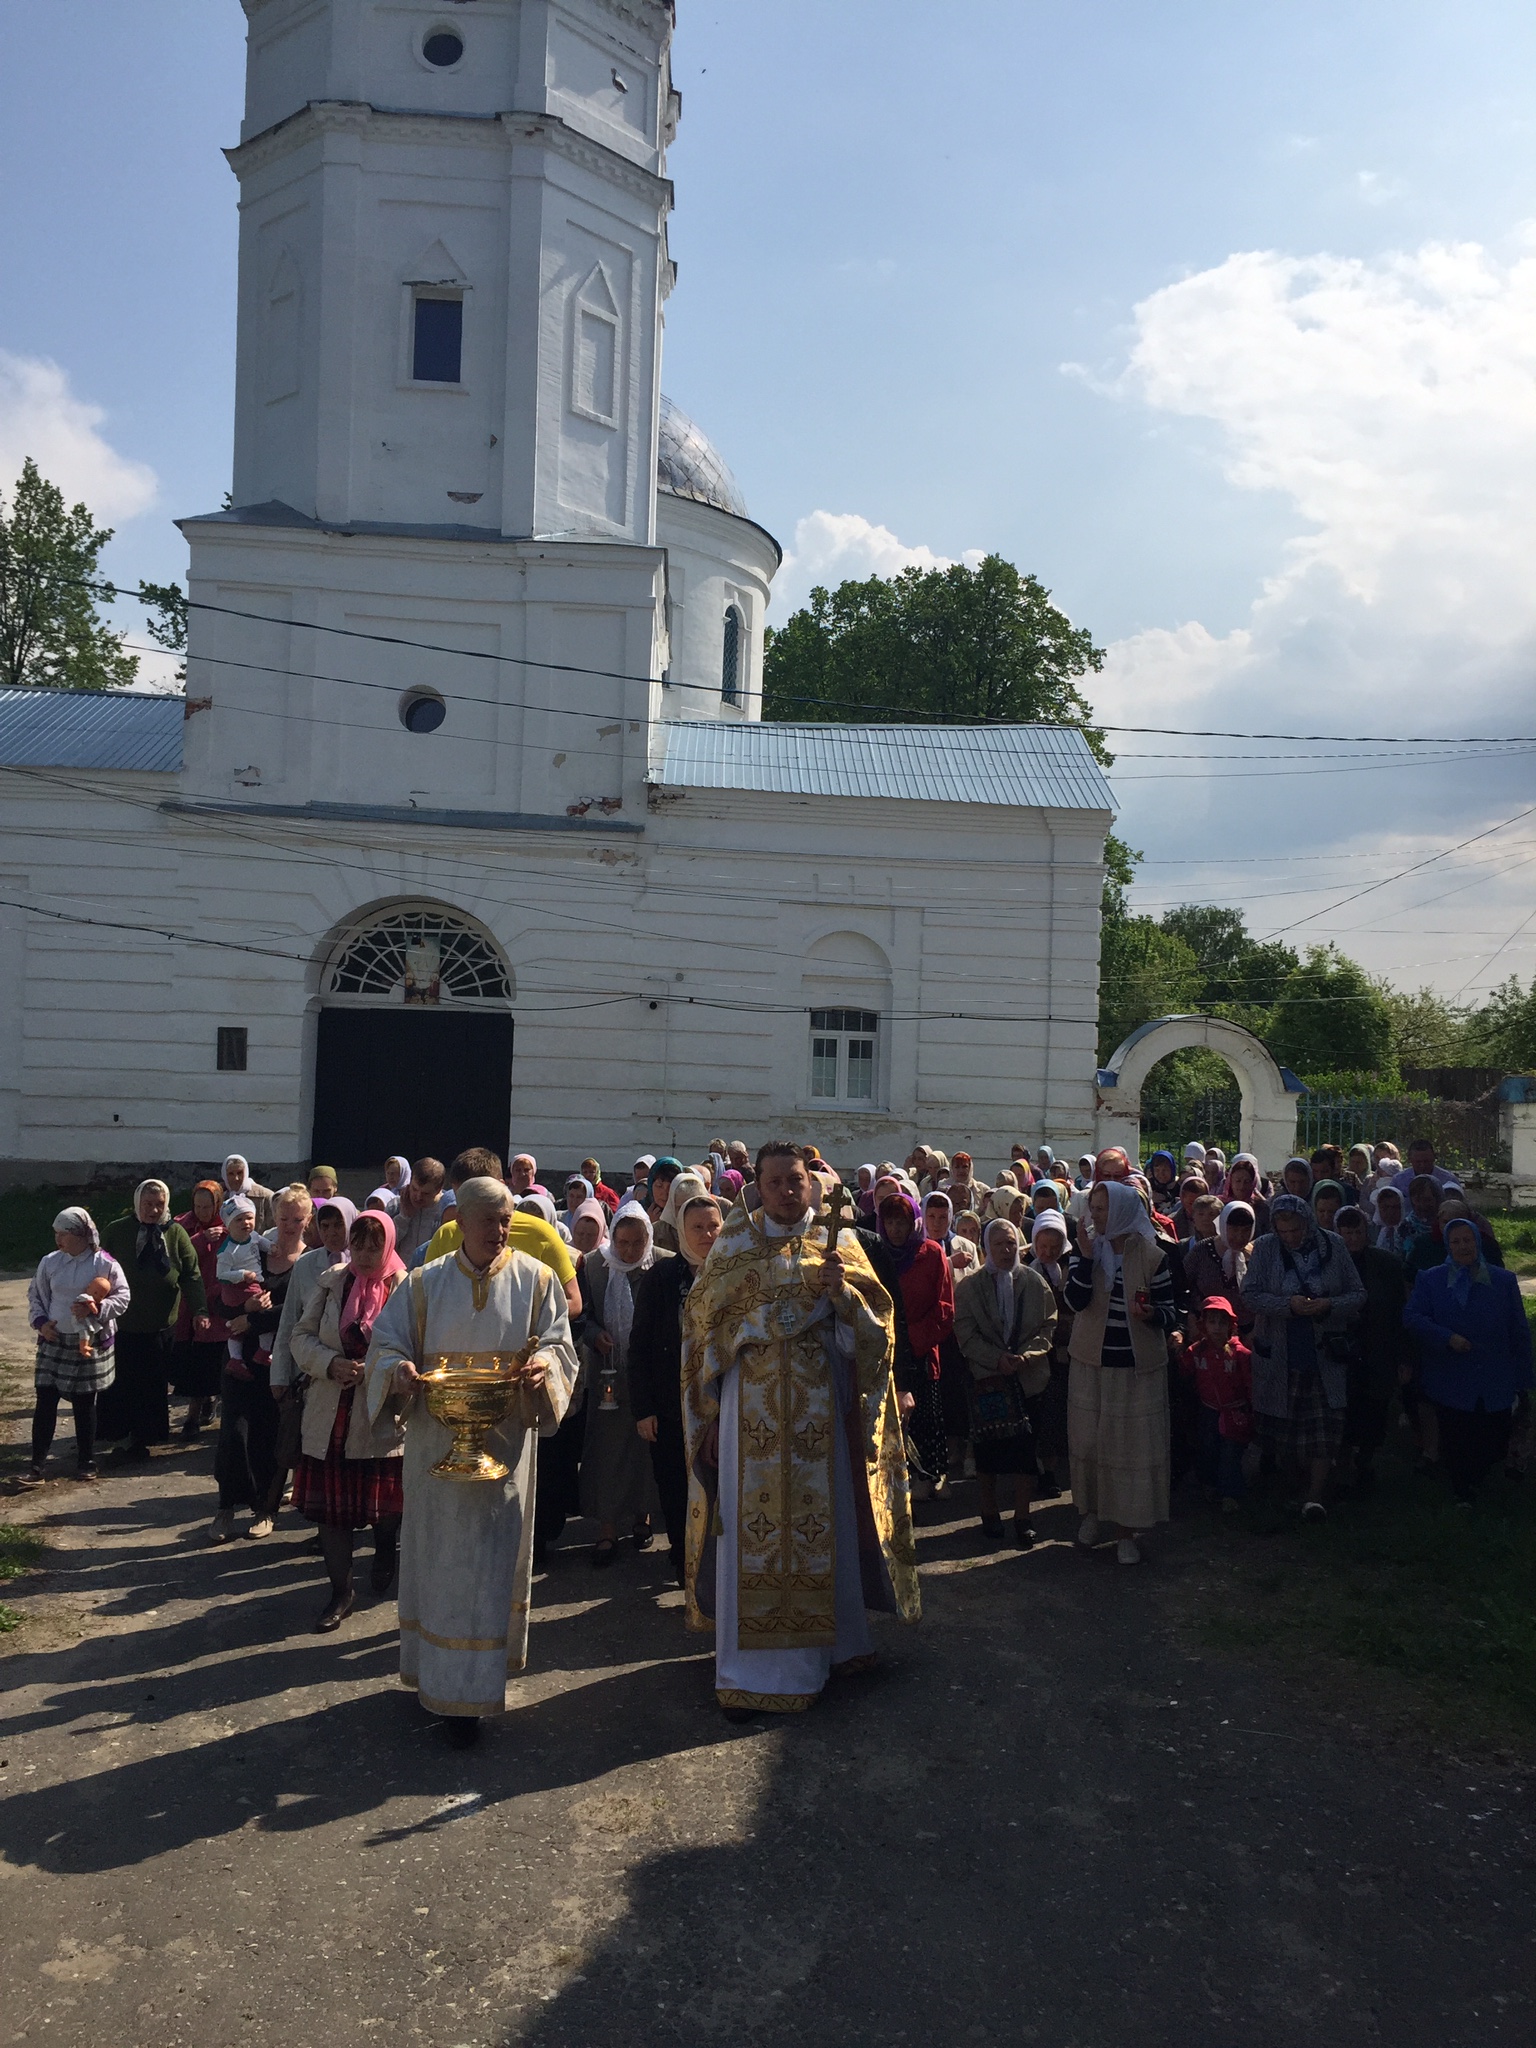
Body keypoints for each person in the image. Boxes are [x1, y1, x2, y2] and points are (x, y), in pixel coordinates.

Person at [682, 1141, 918, 1720]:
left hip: (818, 1418)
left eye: (796, 1180)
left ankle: (828, 1654)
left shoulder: (840, 1244)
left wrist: (841, 1299)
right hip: (747, 1419)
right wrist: (709, 1412)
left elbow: (873, 1334)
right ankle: (746, 1673)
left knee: (823, 1527)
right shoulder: (733, 1248)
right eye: (775, 1182)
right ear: (756, 1186)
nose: (787, 1191)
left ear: (812, 1182)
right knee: (748, 1534)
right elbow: (702, 1334)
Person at [365, 1176, 580, 1747]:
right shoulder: (423, 1284)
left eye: (506, 1218)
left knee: (488, 1570)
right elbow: (384, 1345)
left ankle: (473, 1696)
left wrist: (545, 1370)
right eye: (488, 1218)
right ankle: (435, 1678)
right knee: (440, 1567)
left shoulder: (536, 1281)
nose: (500, 1229)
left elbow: (561, 1345)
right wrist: (398, 1372)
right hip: (435, 1456)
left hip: (505, 1457)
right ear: (460, 1221)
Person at [290, 1210, 408, 1624]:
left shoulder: (406, 1288)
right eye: (358, 1244)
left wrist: (376, 1371)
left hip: (379, 1414)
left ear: (388, 1244)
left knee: (385, 1507)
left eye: (374, 1245)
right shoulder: (332, 1282)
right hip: (330, 1413)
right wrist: (329, 1363)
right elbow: (300, 1338)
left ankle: (385, 1550)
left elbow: (416, 1352)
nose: (365, 1253)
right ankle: (341, 1593)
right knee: (331, 1513)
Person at [1063, 1180, 1176, 1565]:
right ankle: (1092, 1515)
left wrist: (1151, 1315)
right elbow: (1076, 1301)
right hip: (1090, 1366)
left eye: (1101, 1208)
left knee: (1128, 1449)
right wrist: (1083, 1256)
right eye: (1092, 1206)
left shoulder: (1152, 1255)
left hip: (1134, 1369)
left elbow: (1170, 1312)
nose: (1093, 1214)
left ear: (1124, 1211)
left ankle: (1126, 1530)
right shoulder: (1088, 1249)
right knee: (1091, 1444)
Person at [1240, 1192, 1366, 1521]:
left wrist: (1328, 1305)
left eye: (1296, 1230)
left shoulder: (1333, 1245)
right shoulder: (1266, 1247)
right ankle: (1290, 1489)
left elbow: (1357, 1294)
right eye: (1284, 1231)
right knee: (1285, 1430)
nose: (1290, 1237)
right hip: (1282, 1353)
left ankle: (1316, 1496)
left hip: (1324, 1353)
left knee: (1324, 1428)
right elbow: (1250, 1294)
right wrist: (1288, 1305)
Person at [1404, 1216, 1532, 1504]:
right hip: (1451, 1373)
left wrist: (1523, 1376)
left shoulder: (1502, 1280)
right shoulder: (1432, 1279)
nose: (1463, 1246)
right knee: (1458, 1434)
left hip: (1494, 1373)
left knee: (1495, 1437)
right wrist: (1446, 1338)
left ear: (1478, 1241)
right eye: (1456, 1241)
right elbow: (1412, 1317)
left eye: (1468, 1239)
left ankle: (1479, 1477)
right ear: (1448, 1246)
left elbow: (1519, 1329)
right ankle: (1463, 1490)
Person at [630, 1193, 723, 1585]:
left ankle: (718, 1565)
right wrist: (643, 1407)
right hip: (670, 1404)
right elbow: (641, 1344)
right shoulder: (663, 1277)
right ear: (682, 1231)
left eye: (713, 1226)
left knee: (719, 1485)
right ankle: (686, 1561)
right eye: (696, 1227)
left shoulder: (734, 1273)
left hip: (722, 1404)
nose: (705, 1234)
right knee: (674, 1484)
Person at [954, 1218, 1055, 1542]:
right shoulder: (969, 1287)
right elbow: (965, 1334)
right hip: (989, 1381)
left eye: (1011, 1242)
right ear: (986, 1247)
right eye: (998, 1243)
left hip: (1028, 1379)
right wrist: (995, 1359)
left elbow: (1047, 1327)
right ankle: (989, 1512)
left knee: (1026, 1453)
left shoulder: (1035, 1282)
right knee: (989, 1451)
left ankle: (1023, 1518)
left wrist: (1026, 1357)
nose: (1006, 1249)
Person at [578, 1204, 665, 1564]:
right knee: (608, 1449)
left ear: (649, 1239)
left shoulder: (661, 1264)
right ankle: (607, 1526)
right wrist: (596, 1334)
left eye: (637, 1243)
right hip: (608, 1376)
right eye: (623, 1242)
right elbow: (582, 1314)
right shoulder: (595, 1267)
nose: (629, 1251)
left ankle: (643, 1514)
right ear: (611, 1237)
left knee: (647, 1447)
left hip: (648, 1374)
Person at [97, 1182, 206, 1463]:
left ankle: (145, 1438)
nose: (154, 1210)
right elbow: (98, 1264)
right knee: (120, 1382)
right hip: (122, 1325)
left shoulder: (176, 1233)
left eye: (159, 1204)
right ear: (137, 1203)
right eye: (148, 1204)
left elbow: (191, 1275)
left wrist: (199, 1310)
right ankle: (117, 1434)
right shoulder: (118, 1230)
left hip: (159, 1326)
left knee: (152, 1385)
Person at [26, 1208, 130, 1484]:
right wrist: (41, 1322)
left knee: (84, 1403)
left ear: (82, 1235)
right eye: (56, 1233)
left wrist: (97, 1310)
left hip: (89, 1341)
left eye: (64, 1234)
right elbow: (36, 1294)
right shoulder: (50, 1262)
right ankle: (37, 1464)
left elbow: (123, 1297)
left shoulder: (104, 1263)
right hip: (54, 1338)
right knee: (45, 1398)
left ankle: (86, 1460)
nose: (58, 1239)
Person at [418, 1149, 582, 1323]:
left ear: (501, 1187)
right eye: (459, 1198)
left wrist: (518, 1322)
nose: (464, 1208)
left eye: (477, 1198)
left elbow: (573, 1302)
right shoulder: (446, 1234)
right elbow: (425, 1299)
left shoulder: (540, 1233)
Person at [270, 1194, 357, 1519]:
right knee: (310, 1451)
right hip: (313, 1372)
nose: (333, 1232)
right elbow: (290, 1322)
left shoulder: (366, 1261)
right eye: (326, 1225)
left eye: (339, 1224)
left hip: (355, 1376)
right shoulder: (308, 1264)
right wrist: (279, 1374)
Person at [876, 1189, 954, 1499]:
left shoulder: (931, 1254)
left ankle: (927, 1476)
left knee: (923, 1419)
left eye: (902, 1223)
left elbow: (944, 1308)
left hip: (921, 1352)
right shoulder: (876, 1255)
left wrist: (913, 1341)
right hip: (884, 1350)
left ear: (913, 1224)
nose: (896, 1230)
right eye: (890, 1222)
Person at [1333, 1205, 1408, 1496]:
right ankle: (1341, 1468)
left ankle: (1366, 1464)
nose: (1353, 1238)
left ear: (1367, 1232)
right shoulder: (1330, 1263)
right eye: (1347, 1233)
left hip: (1378, 1348)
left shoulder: (1386, 1264)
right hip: (1341, 1352)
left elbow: (1399, 1312)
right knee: (1344, 1411)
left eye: (1358, 1232)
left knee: (1375, 1411)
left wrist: (1403, 1356)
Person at [1178, 1296, 1253, 1510]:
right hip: (1208, 1410)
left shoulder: (1240, 1354)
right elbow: (1184, 1371)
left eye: (1222, 1322)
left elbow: (1250, 1384)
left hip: (1235, 1411)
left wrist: (1251, 1411)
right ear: (1204, 1324)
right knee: (1208, 1450)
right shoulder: (1196, 1351)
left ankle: (1230, 1494)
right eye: (1212, 1322)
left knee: (1231, 1453)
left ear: (1230, 1325)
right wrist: (1178, 1350)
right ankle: (1209, 1486)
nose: (1217, 1327)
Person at [171, 1180, 229, 1436]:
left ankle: (210, 1404)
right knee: (193, 1361)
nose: (203, 1212)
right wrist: (200, 1238)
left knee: (214, 1358)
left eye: (208, 1206)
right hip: (190, 1300)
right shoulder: (183, 1225)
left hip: (218, 1301)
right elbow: (174, 1252)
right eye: (198, 1206)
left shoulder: (228, 1225)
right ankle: (193, 1414)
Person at [1025, 1210, 1073, 1495]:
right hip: (1037, 1353)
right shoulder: (1028, 1272)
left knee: (1054, 1415)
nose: (1048, 1253)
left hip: (1062, 1352)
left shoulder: (1065, 1271)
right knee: (1037, 1414)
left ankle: (1050, 1469)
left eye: (1054, 1248)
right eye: (1043, 1247)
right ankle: (1036, 1469)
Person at [393, 1156, 447, 1262]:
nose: (418, 1197)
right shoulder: (395, 1205)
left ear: (438, 1189)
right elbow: (384, 1243)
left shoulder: (447, 1210)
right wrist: (404, 1217)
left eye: (425, 1193)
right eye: (414, 1189)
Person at [653, 1168, 708, 1255]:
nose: (686, 1212)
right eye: (680, 1207)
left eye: (691, 1207)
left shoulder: (712, 1232)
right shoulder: (656, 1232)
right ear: (672, 1205)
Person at [221, 1155, 275, 1232]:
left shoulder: (265, 1197)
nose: (236, 1178)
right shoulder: (221, 1197)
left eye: (239, 1173)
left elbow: (274, 1229)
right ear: (225, 1175)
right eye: (231, 1174)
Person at [1391, 1138, 1459, 1198]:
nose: (1422, 1165)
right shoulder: (1399, 1180)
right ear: (1410, 1160)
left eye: (1426, 1161)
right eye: (1418, 1162)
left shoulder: (1449, 1180)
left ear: (1434, 1158)